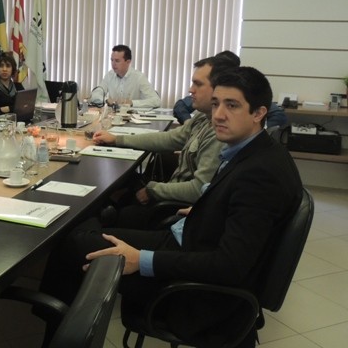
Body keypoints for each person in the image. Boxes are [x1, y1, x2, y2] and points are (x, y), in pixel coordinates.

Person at [39, 66, 304, 348]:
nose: (218, 115)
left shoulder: (260, 175)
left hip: (193, 293)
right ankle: (58, 328)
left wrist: (141, 260)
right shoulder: (257, 151)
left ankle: (58, 337)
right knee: (81, 230)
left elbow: (230, 266)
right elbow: (238, 213)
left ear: (258, 113)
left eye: (232, 105)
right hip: (190, 241)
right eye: (216, 104)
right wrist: (209, 209)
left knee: (73, 243)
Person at [92, 56, 233, 228]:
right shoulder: (203, 118)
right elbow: (169, 138)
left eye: (198, 84)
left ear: (218, 89)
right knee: (125, 185)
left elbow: (198, 188)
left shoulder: (219, 134)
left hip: (174, 208)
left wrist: (153, 189)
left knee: (115, 212)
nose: (191, 89)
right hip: (171, 193)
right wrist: (117, 139)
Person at [173, 51, 287, 128]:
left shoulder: (246, 91)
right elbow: (180, 106)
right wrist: (188, 122)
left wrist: (259, 130)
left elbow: (279, 115)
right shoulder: (205, 95)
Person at [90, 44, 160, 109]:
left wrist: (132, 103)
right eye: (112, 60)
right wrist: (106, 100)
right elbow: (95, 94)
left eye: (117, 61)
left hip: (132, 115)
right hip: (113, 115)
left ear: (128, 62)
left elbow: (156, 101)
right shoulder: (109, 75)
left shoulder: (139, 77)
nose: (113, 64)